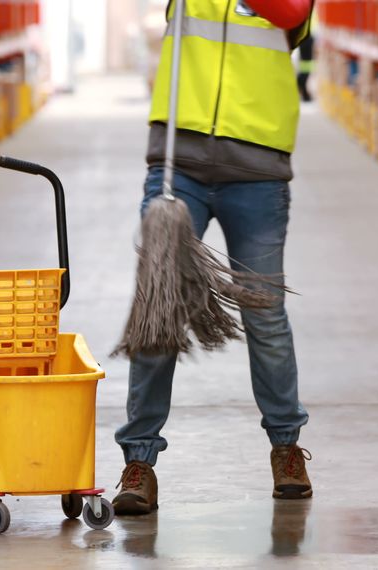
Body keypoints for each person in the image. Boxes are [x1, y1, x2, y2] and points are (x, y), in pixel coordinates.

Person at [113, 0, 315, 516]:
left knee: (265, 312)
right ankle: (139, 462)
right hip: (177, 164)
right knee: (159, 306)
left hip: (259, 169)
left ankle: (287, 448)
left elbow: (290, 15)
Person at [297, 32, 315, 102]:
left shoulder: (303, 38)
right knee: (304, 78)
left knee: (304, 78)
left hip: (305, 62)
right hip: (306, 62)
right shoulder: (308, 38)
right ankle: (305, 95)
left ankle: (305, 95)